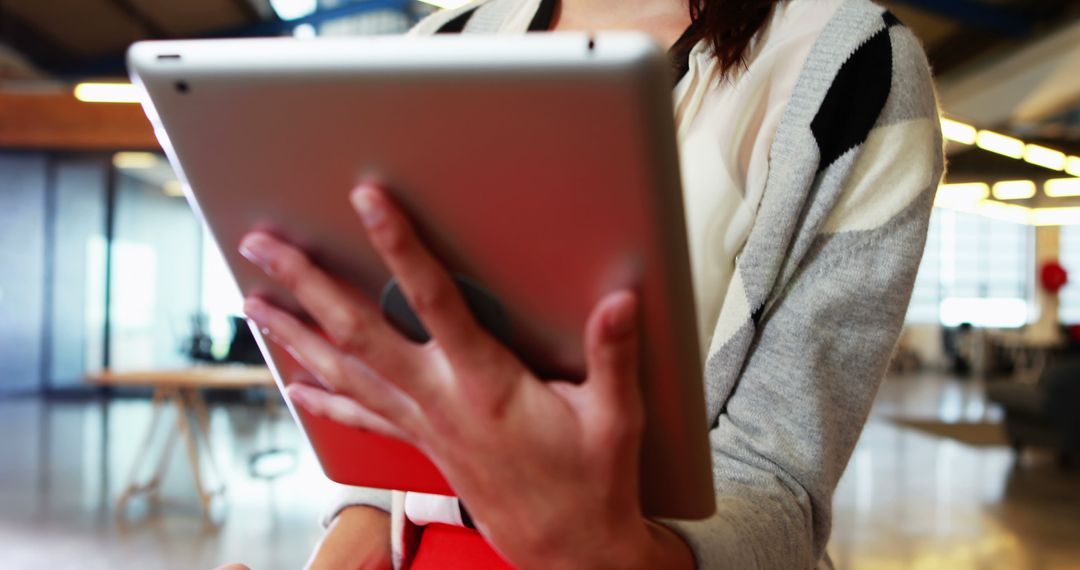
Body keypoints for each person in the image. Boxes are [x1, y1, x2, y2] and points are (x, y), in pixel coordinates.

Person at [228, 0, 944, 567]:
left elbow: (780, 480)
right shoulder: (441, 43)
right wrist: (353, 525)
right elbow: (393, 398)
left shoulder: (853, 65)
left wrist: (602, 552)